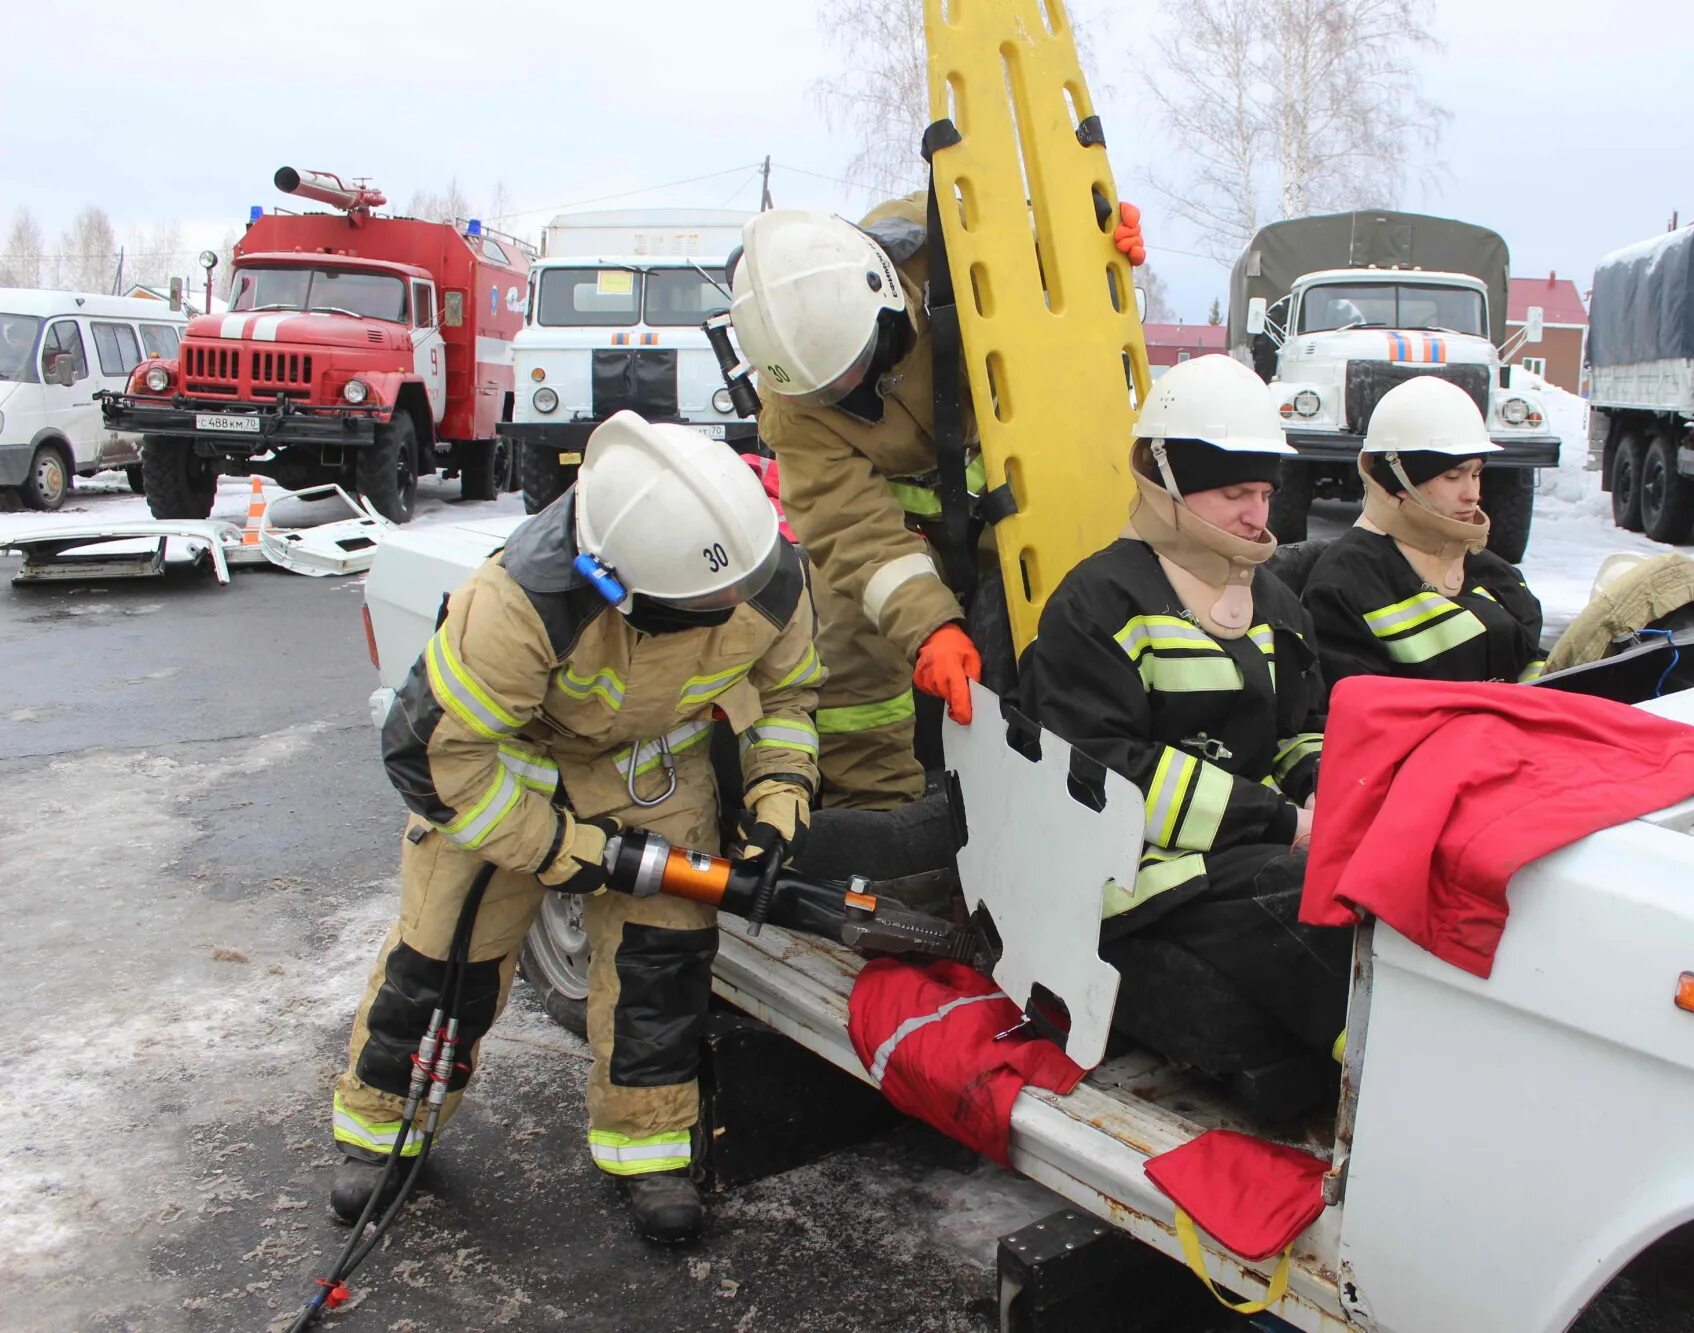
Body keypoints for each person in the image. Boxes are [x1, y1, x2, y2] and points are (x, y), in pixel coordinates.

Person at [330, 411, 824, 1245]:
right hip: (507, 782)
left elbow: (787, 702)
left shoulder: (764, 570)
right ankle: (384, 1132)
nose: (728, 610)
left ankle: (650, 1148)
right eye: (700, 606)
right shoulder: (521, 600)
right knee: (445, 962)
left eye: (733, 593)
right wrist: (565, 851)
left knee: (660, 968)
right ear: (616, 587)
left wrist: (778, 807)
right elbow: (433, 757)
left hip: (655, 777)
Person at [730, 198, 1144, 808]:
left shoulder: (952, 240)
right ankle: (878, 815)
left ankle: (1083, 785)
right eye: (830, 391)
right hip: (907, 538)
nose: (849, 391)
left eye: (857, 366)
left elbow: (1050, 256)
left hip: (1030, 498)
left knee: (1078, 618)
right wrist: (932, 628)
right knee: (846, 638)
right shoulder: (793, 404)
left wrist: (1095, 236)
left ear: (886, 297)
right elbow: (850, 530)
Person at [1015, 355, 1350, 1111]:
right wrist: (1280, 821)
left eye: (1265, 492)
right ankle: (1383, 1082)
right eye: (1235, 493)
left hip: (1249, 852)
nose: (1258, 517)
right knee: (1312, 896)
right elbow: (1102, 770)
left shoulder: (1275, 602)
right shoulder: (1097, 604)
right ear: (1167, 481)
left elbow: (1300, 727)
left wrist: (1324, 788)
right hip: (1137, 877)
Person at [1301, 377, 1544, 688]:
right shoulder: (1344, 585)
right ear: (1399, 482)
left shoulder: (1496, 572)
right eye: (1453, 476)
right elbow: (1358, 713)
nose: (1472, 494)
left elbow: (1537, 672)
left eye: (1476, 473)